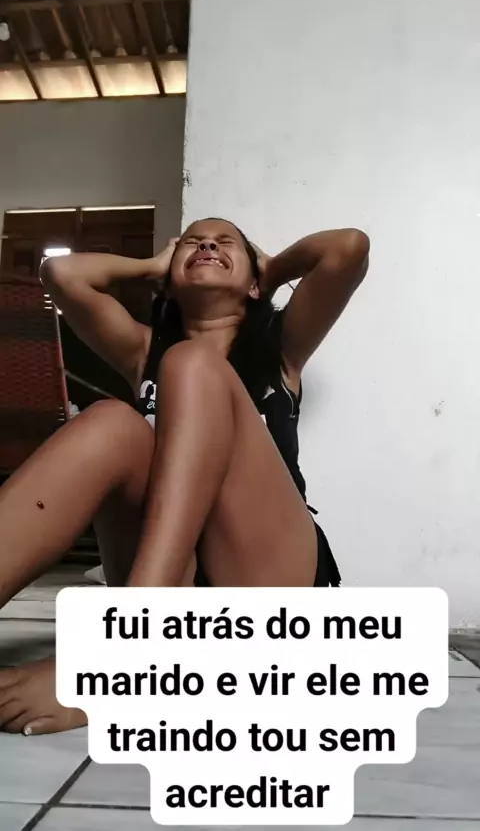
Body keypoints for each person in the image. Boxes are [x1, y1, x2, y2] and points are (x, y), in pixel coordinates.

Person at [0, 218, 369, 735]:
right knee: (111, 422)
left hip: (266, 585)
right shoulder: (143, 352)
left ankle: (126, 653)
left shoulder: (280, 349)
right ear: (169, 281)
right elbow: (60, 274)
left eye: (225, 243)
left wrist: (269, 268)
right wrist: (151, 266)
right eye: (192, 243)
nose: (208, 244)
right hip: (172, 579)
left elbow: (348, 248)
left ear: (254, 284)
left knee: (192, 365)